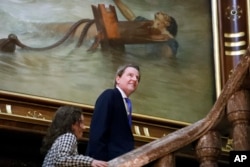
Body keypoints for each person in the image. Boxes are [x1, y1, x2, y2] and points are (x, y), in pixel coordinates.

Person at [85, 64, 141, 161]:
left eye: (137, 77)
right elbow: (98, 131)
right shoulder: (109, 95)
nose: (135, 79)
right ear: (118, 79)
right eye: (130, 75)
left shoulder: (126, 103)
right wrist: (99, 162)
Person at [40, 105, 108, 167]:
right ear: (72, 125)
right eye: (81, 122)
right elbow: (61, 159)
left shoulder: (59, 140)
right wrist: (90, 161)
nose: (84, 127)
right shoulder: (69, 136)